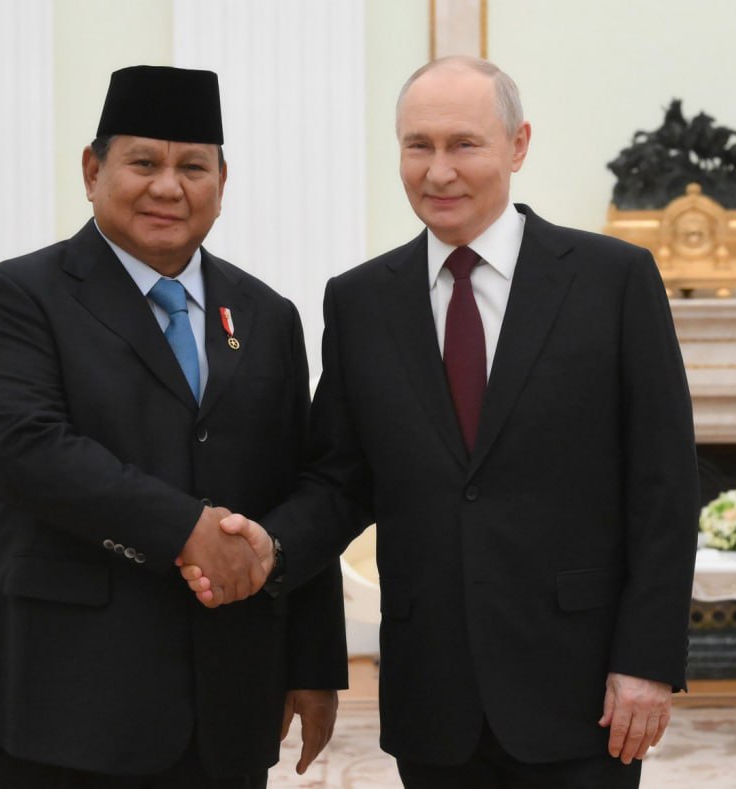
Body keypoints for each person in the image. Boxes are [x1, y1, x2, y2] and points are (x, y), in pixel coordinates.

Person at [183, 56, 698, 788]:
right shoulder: (360, 301)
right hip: (433, 691)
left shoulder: (613, 280)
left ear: (518, 145)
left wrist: (646, 660)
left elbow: (664, 485)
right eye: (417, 145)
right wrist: (272, 545)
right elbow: (341, 479)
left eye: (464, 144)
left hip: (581, 686)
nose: (438, 170)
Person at [0, 65, 346, 788]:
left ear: (222, 181)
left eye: (192, 167)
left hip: (226, 698)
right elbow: (27, 450)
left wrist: (313, 664)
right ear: (92, 171)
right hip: (61, 693)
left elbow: (302, 483)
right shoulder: (18, 296)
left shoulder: (267, 315)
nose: (168, 186)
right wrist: (186, 530)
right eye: (143, 163)